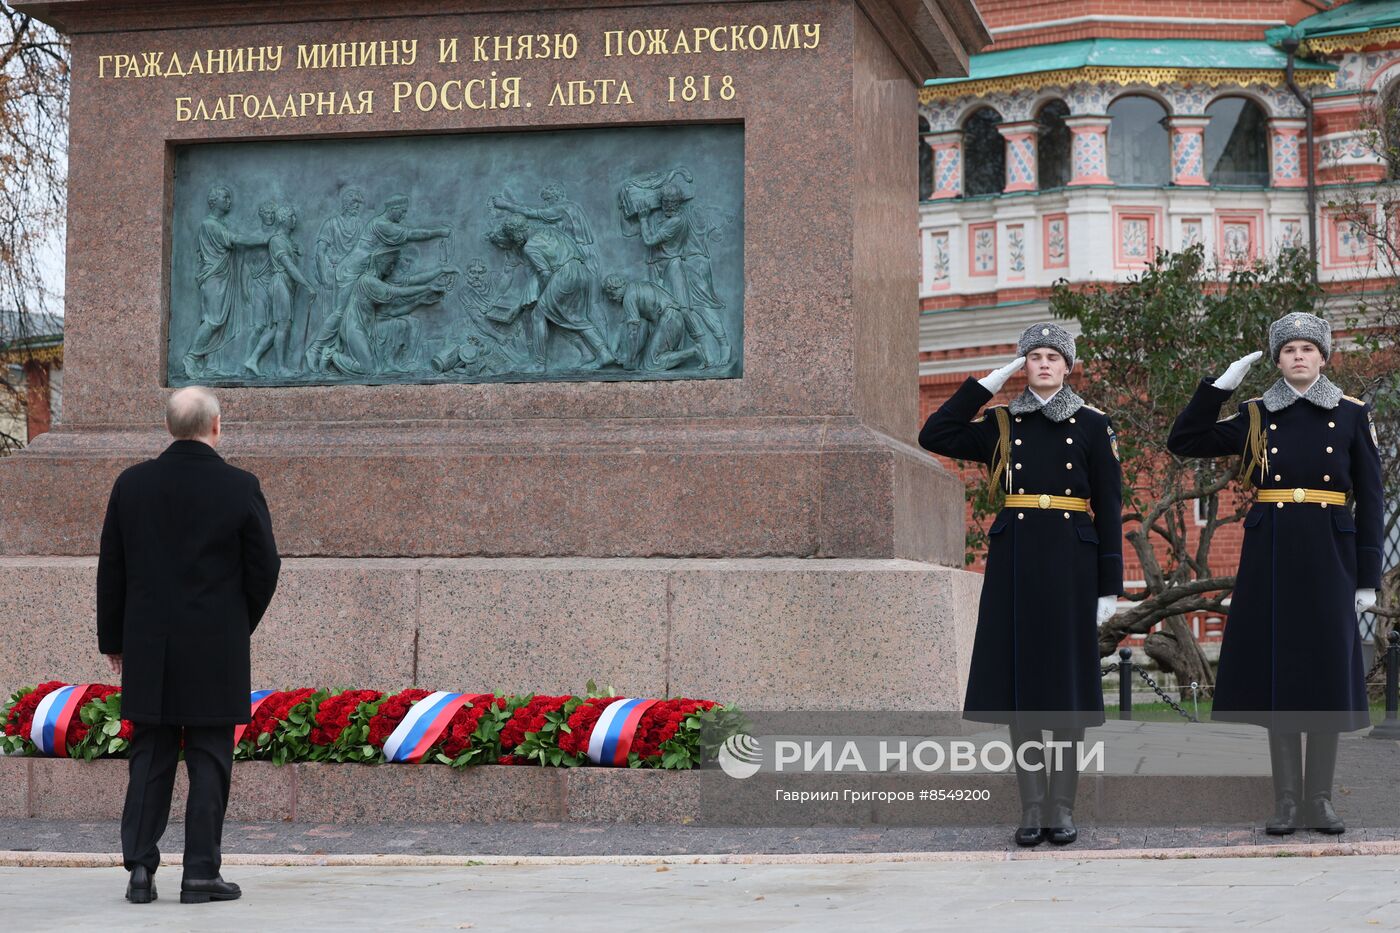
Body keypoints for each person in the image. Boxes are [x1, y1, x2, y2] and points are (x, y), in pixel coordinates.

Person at [1167, 311, 1381, 835]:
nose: (1299, 356)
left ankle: (1321, 800)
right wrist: (1219, 387)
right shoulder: (1256, 414)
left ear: (1324, 358)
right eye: (1289, 350)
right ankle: (1287, 801)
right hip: (1274, 553)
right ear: (1279, 359)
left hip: (1331, 550)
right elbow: (1186, 440)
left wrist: (1366, 576)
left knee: (1327, 676)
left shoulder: (1352, 414)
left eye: (1309, 349)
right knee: (1281, 677)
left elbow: (1372, 500)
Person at [919, 322, 1123, 847]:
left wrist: (1109, 586)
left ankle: (1062, 806)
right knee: (1023, 690)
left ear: (1068, 365)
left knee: (1067, 690)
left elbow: (1111, 507)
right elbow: (934, 434)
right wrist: (986, 384)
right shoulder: (1002, 423)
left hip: (1073, 566)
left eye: (1054, 356)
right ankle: (1031, 807)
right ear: (1023, 366)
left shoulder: (1094, 425)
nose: (1045, 364)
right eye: (1034, 357)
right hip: (1016, 564)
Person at [97, 387, 281, 904]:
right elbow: (265, 567)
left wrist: (115, 639)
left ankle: (140, 869)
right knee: (209, 758)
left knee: (150, 756)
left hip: (149, 646)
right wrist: (234, 623)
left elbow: (112, 568)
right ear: (216, 425)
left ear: (170, 427)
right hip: (214, 646)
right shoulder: (240, 487)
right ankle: (201, 872)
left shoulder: (131, 485)